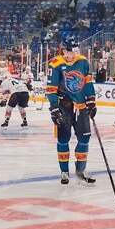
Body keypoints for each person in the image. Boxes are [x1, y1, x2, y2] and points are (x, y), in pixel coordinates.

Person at [47, 38, 97, 185]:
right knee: (63, 138)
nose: (74, 54)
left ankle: (81, 171)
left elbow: (88, 82)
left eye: (76, 51)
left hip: (81, 105)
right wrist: (54, 107)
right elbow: (51, 88)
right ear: (64, 51)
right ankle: (64, 171)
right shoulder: (55, 63)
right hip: (64, 106)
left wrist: (91, 100)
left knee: (85, 138)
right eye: (71, 52)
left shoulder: (83, 61)